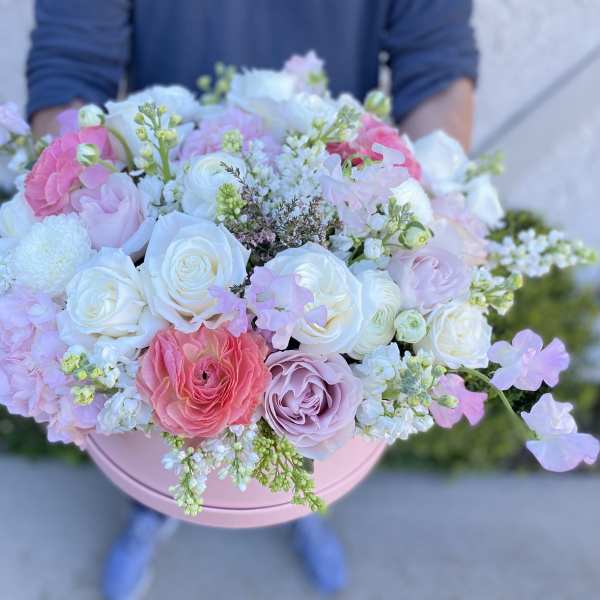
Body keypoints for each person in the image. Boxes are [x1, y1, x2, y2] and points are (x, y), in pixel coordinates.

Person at [27, 1, 478, 598]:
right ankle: (153, 507)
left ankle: (302, 502)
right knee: (170, 400)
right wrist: (79, 216)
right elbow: (71, 60)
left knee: (313, 401)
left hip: (329, 185)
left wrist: (426, 215)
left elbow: (436, 64)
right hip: (169, 178)